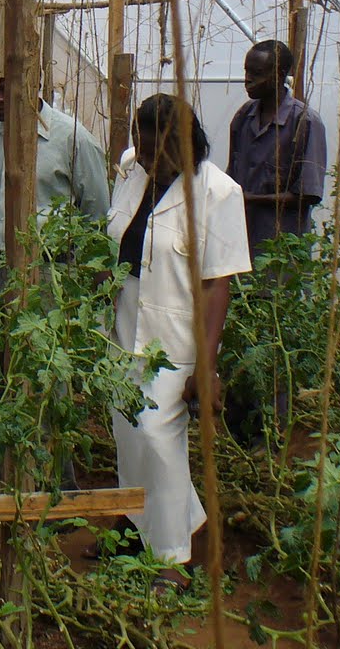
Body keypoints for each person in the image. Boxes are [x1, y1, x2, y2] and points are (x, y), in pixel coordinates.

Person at [105, 95, 250, 593]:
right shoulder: (132, 169)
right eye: (140, 148)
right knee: (127, 433)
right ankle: (132, 524)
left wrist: (205, 368)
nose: (146, 160)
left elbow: (217, 285)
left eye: (155, 152)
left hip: (175, 341)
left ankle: (171, 560)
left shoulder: (218, 194)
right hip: (124, 328)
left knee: (158, 439)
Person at [225, 39, 327, 437]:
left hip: (279, 251)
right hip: (239, 244)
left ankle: (272, 434)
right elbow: (232, 174)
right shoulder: (243, 119)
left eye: (257, 73)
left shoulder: (304, 123)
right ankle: (239, 428)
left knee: (273, 338)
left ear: (281, 76)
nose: (247, 79)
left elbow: (307, 194)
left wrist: (248, 199)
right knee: (238, 333)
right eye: (247, 71)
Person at [0, 49, 110, 266]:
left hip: (49, 268)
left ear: (34, 87)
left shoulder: (72, 138)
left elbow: (97, 213)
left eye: (5, 89)